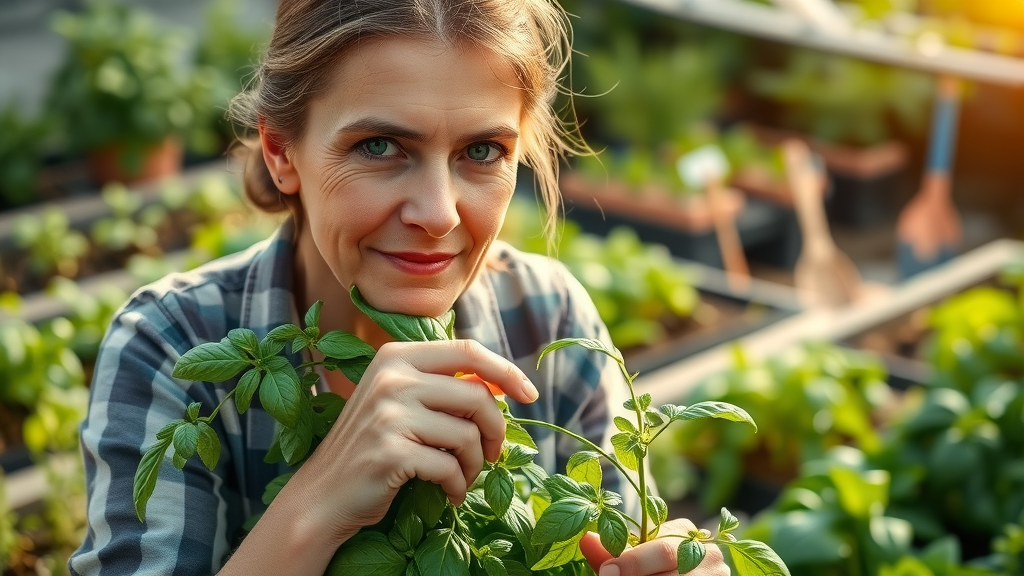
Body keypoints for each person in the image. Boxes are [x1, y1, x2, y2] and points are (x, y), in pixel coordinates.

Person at [69, 1, 729, 575]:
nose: (439, 213)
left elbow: (608, 541)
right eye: (380, 146)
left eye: (482, 152)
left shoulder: (549, 320)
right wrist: (317, 504)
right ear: (280, 151)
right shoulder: (171, 344)